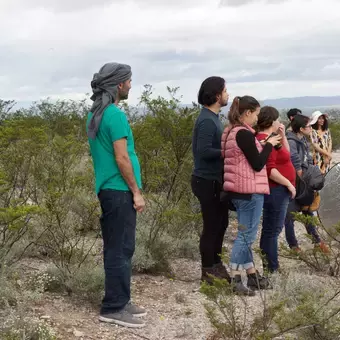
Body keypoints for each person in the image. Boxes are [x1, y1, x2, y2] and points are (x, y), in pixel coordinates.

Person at [86, 62, 147, 328]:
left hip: (108, 189)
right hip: (119, 190)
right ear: (119, 84)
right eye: (129, 80)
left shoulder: (96, 114)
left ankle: (121, 299)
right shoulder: (114, 115)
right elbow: (122, 158)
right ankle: (113, 306)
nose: (131, 85)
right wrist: (136, 191)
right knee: (120, 248)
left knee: (120, 247)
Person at [221, 96, 282, 295]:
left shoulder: (230, 131)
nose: (257, 118)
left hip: (238, 190)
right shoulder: (244, 134)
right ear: (247, 113)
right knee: (246, 236)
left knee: (245, 233)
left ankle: (251, 274)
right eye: (256, 113)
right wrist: (269, 144)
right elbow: (258, 163)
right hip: (249, 191)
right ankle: (236, 278)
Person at [191, 76, 230, 285]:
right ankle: (208, 270)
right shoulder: (206, 119)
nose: (227, 95)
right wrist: (228, 151)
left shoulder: (213, 117)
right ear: (217, 95)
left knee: (221, 223)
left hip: (214, 180)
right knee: (212, 225)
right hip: (206, 181)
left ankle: (216, 264)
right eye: (225, 91)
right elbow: (203, 151)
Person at [255, 106, 296, 273]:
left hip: (279, 190)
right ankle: (272, 268)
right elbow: (270, 170)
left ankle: (271, 266)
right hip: (276, 190)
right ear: (272, 121)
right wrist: (288, 184)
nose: (280, 122)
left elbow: (287, 154)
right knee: (272, 230)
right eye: (277, 119)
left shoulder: (271, 138)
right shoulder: (265, 140)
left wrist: (283, 136)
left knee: (271, 229)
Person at [285, 114, 329, 253]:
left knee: (307, 210)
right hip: (296, 183)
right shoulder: (291, 141)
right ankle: (293, 246)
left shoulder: (303, 139)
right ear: (300, 128)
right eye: (308, 126)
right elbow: (294, 160)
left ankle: (317, 241)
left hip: (305, 181)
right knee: (290, 216)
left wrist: (311, 171)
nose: (311, 128)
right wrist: (301, 174)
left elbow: (308, 158)